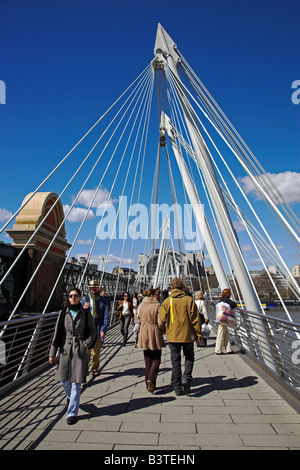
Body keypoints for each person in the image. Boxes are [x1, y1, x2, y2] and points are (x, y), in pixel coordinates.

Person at [49, 287, 96, 425]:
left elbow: (93, 331)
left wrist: (85, 344)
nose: (73, 298)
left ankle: (72, 413)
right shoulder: (64, 312)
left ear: (80, 297)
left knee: (76, 382)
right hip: (65, 349)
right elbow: (57, 333)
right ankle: (71, 398)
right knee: (63, 380)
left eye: (76, 295)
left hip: (79, 350)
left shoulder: (85, 313)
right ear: (68, 298)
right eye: (70, 295)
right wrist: (52, 353)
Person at [160, 277, 203, 396]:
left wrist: (163, 329)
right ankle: (186, 379)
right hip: (187, 335)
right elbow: (195, 320)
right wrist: (199, 334)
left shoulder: (167, 301)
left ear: (172, 288)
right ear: (182, 287)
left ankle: (177, 388)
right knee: (189, 357)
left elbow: (162, 319)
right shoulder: (189, 300)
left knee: (175, 361)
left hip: (173, 336)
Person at [137, 288, 165, 393]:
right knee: (156, 359)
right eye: (157, 294)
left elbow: (138, 318)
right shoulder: (157, 305)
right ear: (153, 295)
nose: (158, 296)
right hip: (154, 333)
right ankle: (151, 380)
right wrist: (163, 330)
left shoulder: (141, 305)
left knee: (147, 360)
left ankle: (147, 383)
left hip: (144, 332)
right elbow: (160, 322)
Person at [87, 281, 110, 376]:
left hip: (97, 328)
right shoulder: (85, 299)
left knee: (96, 352)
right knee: (86, 352)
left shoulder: (103, 301)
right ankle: (84, 369)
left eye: (95, 287)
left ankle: (95, 368)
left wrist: (103, 330)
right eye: (92, 287)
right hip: (87, 329)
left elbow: (106, 316)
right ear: (89, 288)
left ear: (98, 288)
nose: (93, 289)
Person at [215, 288, 237, 355]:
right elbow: (234, 304)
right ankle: (218, 350)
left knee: (226, 333)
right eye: (230, 293)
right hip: (224, 319)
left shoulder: (221, 300)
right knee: (221, 334)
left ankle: (228, 349)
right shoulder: (227, 300)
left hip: (221, 318)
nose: (230, 294)